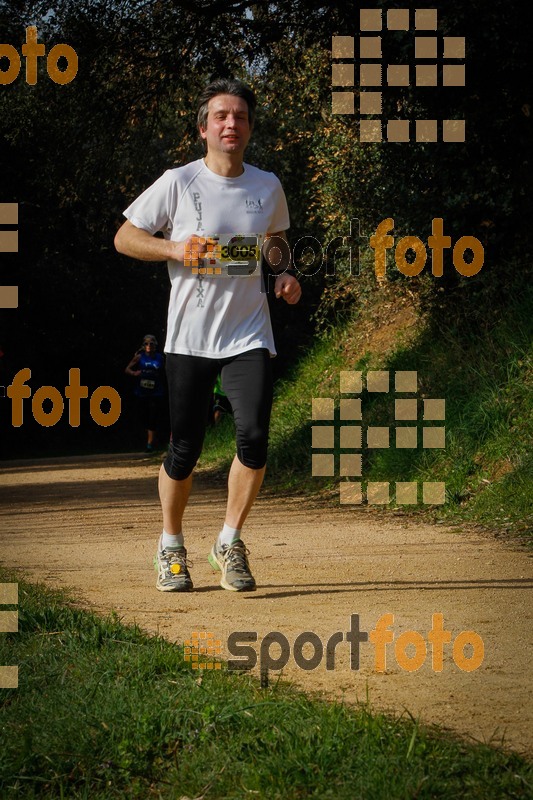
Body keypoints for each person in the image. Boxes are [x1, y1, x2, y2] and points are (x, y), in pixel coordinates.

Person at [114, 77, 301, 593]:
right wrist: (175, 250)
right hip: (190, 337)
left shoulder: (267, 185)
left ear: (249, 127)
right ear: (203, 127)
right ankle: (171, 547)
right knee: (185, 449)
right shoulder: (179, 182)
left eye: (239, 116)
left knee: (255, 439)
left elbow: (274, 242)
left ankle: (229, 541)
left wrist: (283, 274)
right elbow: (125, 237)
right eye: (220, 116)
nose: (230, 124)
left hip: (248, 334)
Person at [125, 334, 166, 452]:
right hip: (141, 392)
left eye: (151, 344)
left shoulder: (160, 358)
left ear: (155, 345)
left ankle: (150, 444)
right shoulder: (139, 357)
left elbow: (166, 371)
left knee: (153, 416)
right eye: (146, 344)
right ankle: (142, 440)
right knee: (142, 415)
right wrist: (134, 373)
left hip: (156, 392)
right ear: (143, 346)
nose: (149, 346)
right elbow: (127, 369)